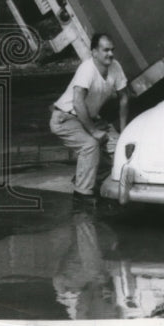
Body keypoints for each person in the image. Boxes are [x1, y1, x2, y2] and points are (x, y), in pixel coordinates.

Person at [50, 32, 129, 202]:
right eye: (105, 50)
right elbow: (78, 102)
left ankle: (84, 177)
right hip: (65, 117)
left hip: (89, 118)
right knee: (90, 145)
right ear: (94, 52)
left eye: (112, 50)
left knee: (121, 149)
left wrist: (124, 132)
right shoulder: (87, 69)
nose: (110, 54)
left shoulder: (115, 66)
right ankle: (82, 194)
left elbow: (123, 98)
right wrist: (93, 131)